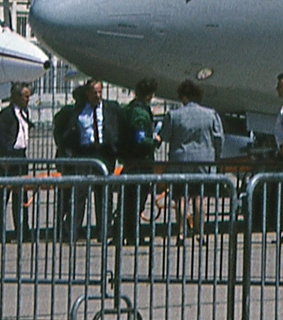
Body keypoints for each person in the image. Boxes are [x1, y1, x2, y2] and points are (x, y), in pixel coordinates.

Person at [54, 79, 122, 239]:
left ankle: (104, 230)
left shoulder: (111, 108)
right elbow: (63, 131)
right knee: (79, 194)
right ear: (87, 93)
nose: (97, 96)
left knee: (104, 195)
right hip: (84, 154)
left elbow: (118, 127)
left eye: (100, 92)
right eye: (94, 92)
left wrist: (115, 147)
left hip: (103, 154)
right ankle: (72, 229)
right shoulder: (77, 111)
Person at [162, 79, 223, 237]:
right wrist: (216, 155)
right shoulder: (211, 114)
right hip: (204, 159)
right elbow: (219, 138)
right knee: (199, 196)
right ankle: (199, 231)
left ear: (183, 96)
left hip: (180, 160)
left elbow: (165, 136)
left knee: (181, 197)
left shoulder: (174, 115)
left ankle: (181, 231)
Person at [118, 79, 160, 241]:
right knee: (136, 200)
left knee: (128, 200)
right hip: (140, 161)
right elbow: (140, 140)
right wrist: (154, 141)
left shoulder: (130, 108)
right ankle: (132, 233)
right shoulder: (140, 113)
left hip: (130, 160)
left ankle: (123, 231)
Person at [1, 83, 32, 240]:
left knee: (21, 196)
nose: (27, 99)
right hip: (9, 156)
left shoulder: (24, 112)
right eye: (25, 96)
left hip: (21, 156)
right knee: (3, 195)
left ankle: (22, 230)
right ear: (16, 97)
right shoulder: (6, 115)